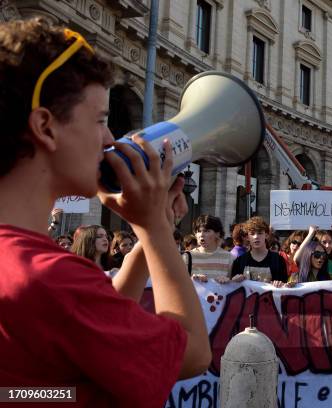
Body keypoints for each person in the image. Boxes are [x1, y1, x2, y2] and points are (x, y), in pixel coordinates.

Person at [0, 19, 210, 405]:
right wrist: (154, 231)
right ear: (46, 127)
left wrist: (148, 239)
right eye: (100, 120)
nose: (110, 138)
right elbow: (193, 352)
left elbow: (92, 320)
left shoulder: (31, 271)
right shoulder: (49, 277)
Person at [231, 216, 286, 286]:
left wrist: (282, 284)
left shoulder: (278, 260)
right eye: (252, 233)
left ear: (266, 235)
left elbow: (284, 290)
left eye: (260, 233)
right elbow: (233, 290)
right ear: (247, 237)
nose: (256, 237)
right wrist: (233, 281)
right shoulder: (239, 261)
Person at [190, 215, 233, 282]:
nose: (201, 235)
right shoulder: (187, 257)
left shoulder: (229, 258)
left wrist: (229, 281)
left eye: (206, 231)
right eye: (198, 231)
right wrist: (192, 279)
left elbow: (236, 286)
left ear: (217, 234)